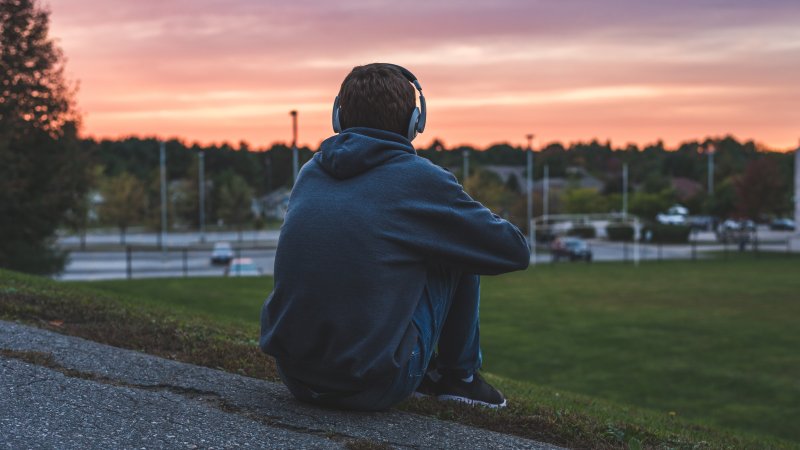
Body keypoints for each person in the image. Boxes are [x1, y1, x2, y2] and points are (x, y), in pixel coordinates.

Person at [259, 63, 530, 411]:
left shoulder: (311, 171)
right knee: (460, 249)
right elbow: (514, 250)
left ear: (338, 117)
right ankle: (459, 379)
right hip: (374, 384)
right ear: (415, 122)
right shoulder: (421, 179)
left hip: (296, 376)